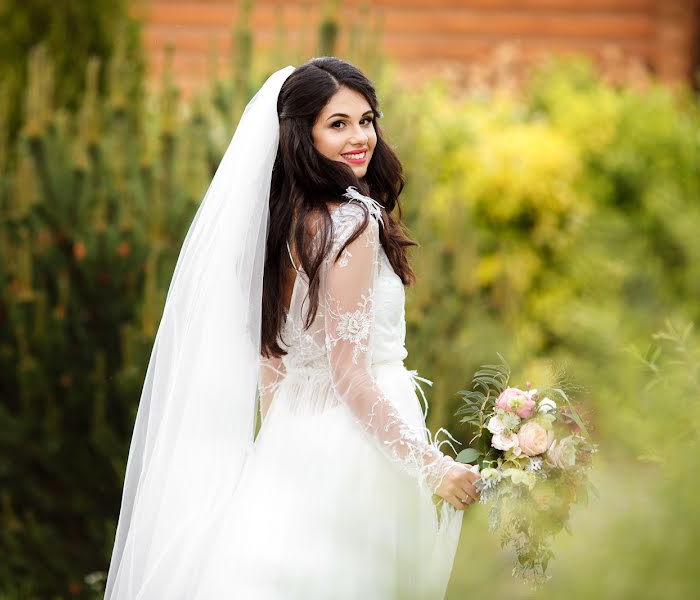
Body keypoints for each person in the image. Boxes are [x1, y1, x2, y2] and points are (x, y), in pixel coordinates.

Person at [104, 58, 480, 600]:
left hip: (291, 440)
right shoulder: (352, 222)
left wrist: (282, 450)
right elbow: (349, 373)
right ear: (302, 135)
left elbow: (271, 360)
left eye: (366, 120)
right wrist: (432, 468)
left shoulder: (279, 224)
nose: (360, 138)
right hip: (356, 451)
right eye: (338, 123)